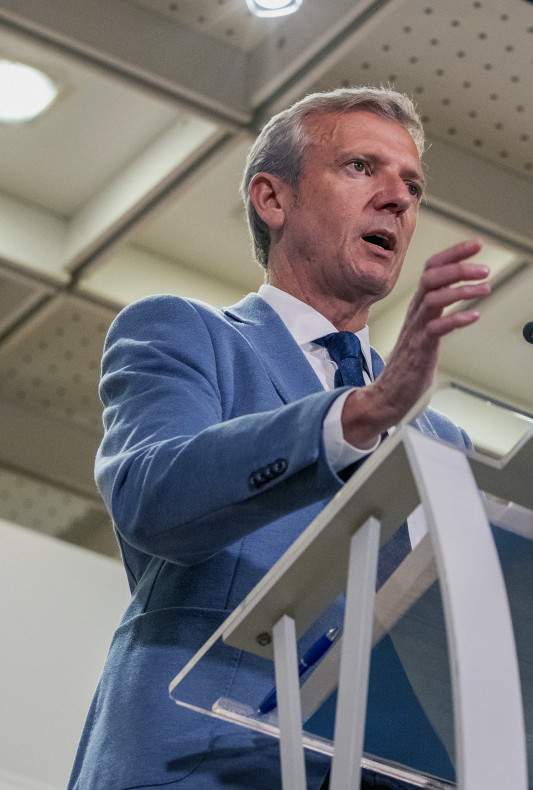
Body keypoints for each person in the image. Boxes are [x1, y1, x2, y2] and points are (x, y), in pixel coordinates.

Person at [68, 87, 491, 789]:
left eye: (411, 185)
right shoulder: (182, 334)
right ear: (273, 199)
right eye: (362, 167)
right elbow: (154, 498)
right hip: (200, 766)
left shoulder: (443, 440)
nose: (397, 198)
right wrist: (357, 415)